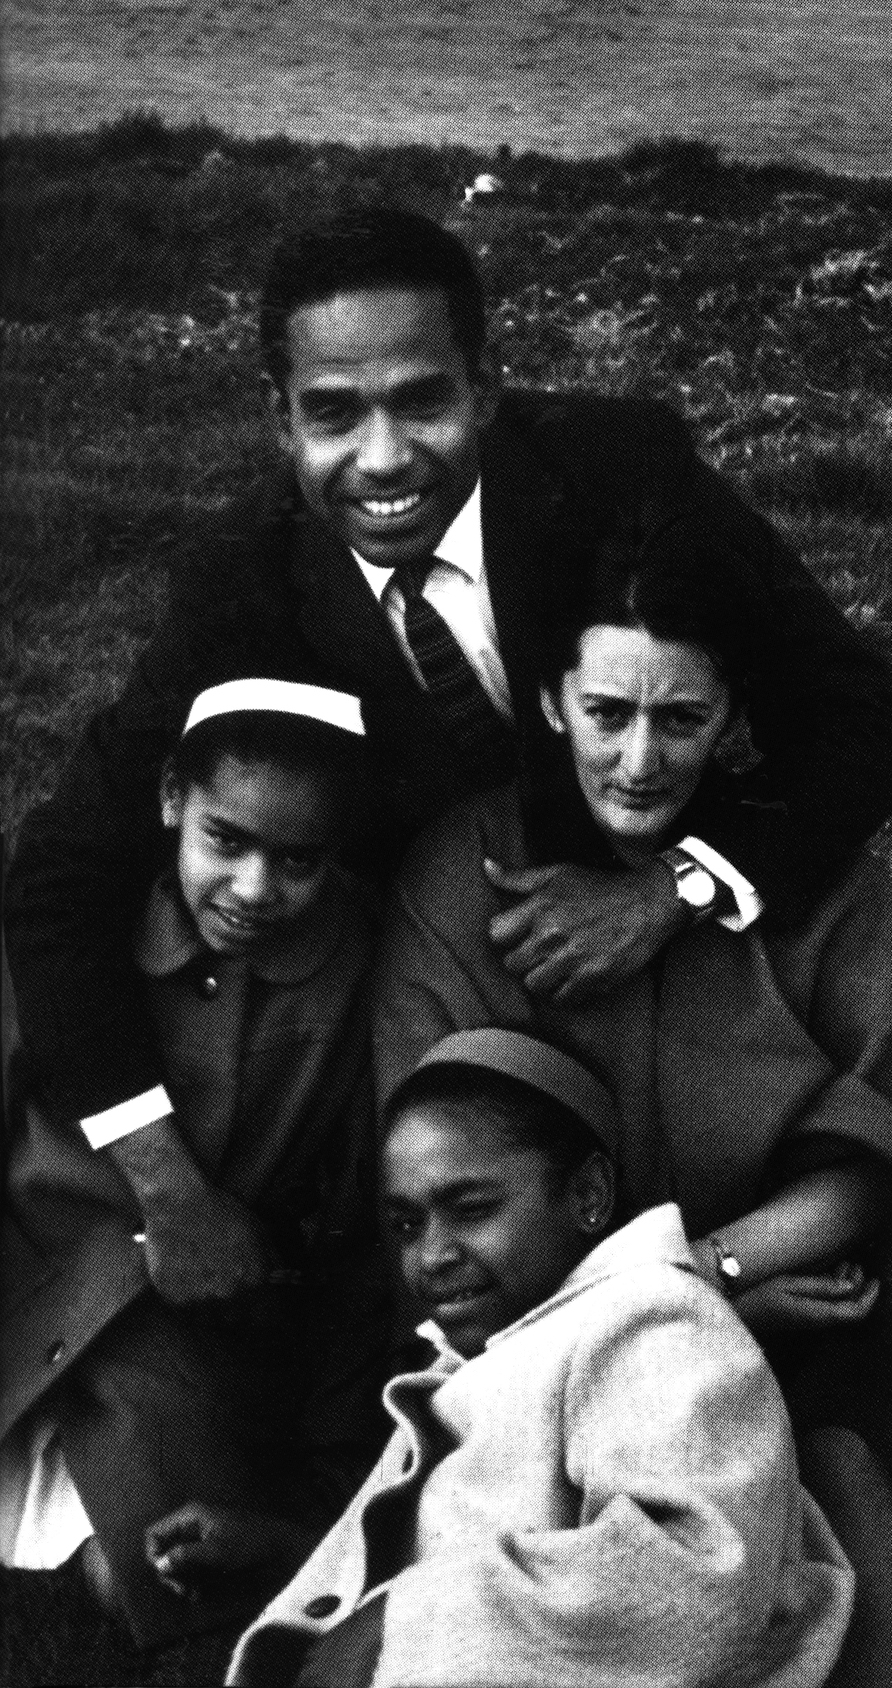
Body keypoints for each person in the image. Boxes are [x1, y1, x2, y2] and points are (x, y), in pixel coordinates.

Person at [5, 205, 892, 1180]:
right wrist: (166, 1183)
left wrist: (670, 888)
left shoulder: (617, 473)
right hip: (437, 974)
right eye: (334, 412)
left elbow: (858, 712)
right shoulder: (244, 575)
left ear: (485, 387)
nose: (382, 459)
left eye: (421, 401)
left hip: (703, 956)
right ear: (280, 416)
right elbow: (64, 871)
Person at [373, 511, 892, 1465]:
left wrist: (711, 1275)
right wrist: (680, 1308)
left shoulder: (828, 887)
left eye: (683, 719)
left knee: (844, 1481)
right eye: (609, 713)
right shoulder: (460, 876)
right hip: (531, 1345)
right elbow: (434, 1206)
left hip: (798, 1296)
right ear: (550, 699)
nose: (641, 763)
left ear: (734, 716)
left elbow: (865, 1164)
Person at [214, 1028, 854, 1688]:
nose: (433, 1255)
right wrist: (286, 1551)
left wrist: (408, 1626)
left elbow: (699, 1574)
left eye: (472, 1208)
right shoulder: (488, 1356)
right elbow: (459, 1536)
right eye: (406, 1223)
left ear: (588, 1196)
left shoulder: (651, 1322)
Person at [0, 680, 381, 1648]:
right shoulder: (80, 941)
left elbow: (344, 1226)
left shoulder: (355, 980)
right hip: (26, 1272)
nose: (254, 890)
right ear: (172, 798)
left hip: (177, 1338)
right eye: (226, 841)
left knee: (149, 1574)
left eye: (297, 860)